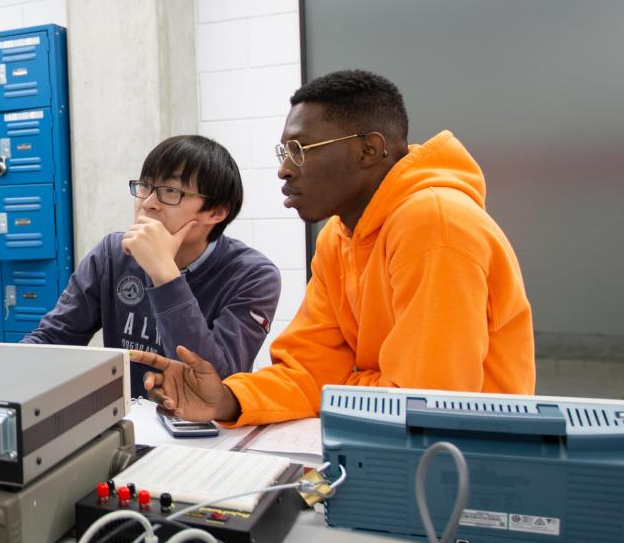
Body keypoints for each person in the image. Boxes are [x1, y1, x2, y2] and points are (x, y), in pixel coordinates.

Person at [138, 69, 535, 425]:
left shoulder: (435, 224)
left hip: (471, 472)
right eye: (283, 152)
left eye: (299, 150)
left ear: (367, 149)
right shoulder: (338, 236)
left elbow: (426, 406)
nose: (284, 169)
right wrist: (228, 399)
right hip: (390, 450)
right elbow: (310, 372)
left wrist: (343, 381)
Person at [23, 135, 281, 397]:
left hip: (210, 433)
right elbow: (53, 339)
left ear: (216, 212)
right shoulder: (112, 254)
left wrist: (165, 274)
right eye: (145, 186)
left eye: (171, 192)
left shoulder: (253, 275)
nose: (148, 203)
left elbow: (215, 386)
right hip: (129, 419)